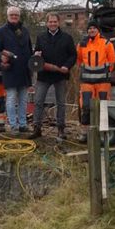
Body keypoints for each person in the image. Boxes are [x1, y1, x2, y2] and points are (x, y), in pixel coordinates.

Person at [29, 12, 77, 140]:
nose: (52, 24)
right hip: (44, 75)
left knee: (61, 103)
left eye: (54, 21)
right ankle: (37, 128)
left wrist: (67, 66)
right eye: (50, 22)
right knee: (38, 101)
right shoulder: (41, 37)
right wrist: (37, 55)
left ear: (58, 22)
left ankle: (61, 129)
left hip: (60, 75)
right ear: (47, 23)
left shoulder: (67, 38)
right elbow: (36, 54)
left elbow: (73, 55)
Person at [76, 19, 115, 143]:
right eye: (89, 28)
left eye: (93, 28)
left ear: (98, 30)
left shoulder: (107, 43)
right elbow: (79, 61)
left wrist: (104, 72)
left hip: (103, 81)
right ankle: (85, 133)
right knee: (86, 106)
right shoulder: (82, 44)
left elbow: (112, 61)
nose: (91, 30)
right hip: (87, 81)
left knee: (103, 106)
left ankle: (103, 133)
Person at [0, 6, 32, 133]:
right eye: (12, 15)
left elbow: (29, 49)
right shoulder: (1, 31)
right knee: (10, 98)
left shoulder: (25, 31)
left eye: (16, 15)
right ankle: (13, 125)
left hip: (24, 70)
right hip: (10, 70)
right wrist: (1, 57)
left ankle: (23, 124)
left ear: (19, 16)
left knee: (23, 99)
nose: (14, 17)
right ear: (8, 16)